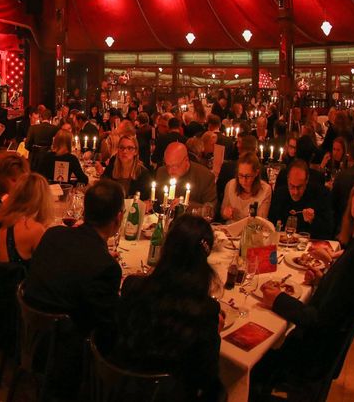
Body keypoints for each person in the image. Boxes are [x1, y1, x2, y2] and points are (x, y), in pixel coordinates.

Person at [253, 165, 354, 398]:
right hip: (326, 349)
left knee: (256, 358)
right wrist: (325, 280)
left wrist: (277, 299)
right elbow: (345, 299)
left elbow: (320, 320)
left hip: (311, 356)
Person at [22, 179, 125, 396]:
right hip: (67, 358)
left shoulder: (53, 235)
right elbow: (107, 327)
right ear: (118, 218)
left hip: (30, 338)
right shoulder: (106, 267)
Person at [110, 214, 222, 401]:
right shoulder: (205, 310)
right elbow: (206, 378)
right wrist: (214, 335)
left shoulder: (133, 286)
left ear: (165, 248)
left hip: (121, 391)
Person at [268, 159, 334, 239]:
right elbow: (270, 227)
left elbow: (328, 232)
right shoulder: (280, 194)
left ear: (307, 180)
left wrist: (313, 220)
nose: (295, 192)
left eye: (299, 187)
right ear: (288, 179)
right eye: (292, 186)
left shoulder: (320, 195)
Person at [154, 142, 218, 212]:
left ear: (186, 160)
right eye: (168, 166)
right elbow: (157, 201)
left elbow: (211, 210)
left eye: (175, 166)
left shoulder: (205, 176)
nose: (170, 171)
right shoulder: (161, 172)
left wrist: (187, 205)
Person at [220, 152, 272, 222]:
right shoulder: (231, 185)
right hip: (230, 230)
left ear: (256, 173)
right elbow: (222, 215)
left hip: (251, 231)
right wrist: (225, 213)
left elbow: (260, 222)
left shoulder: (265, 190)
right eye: (240, 175)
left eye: (247, 176)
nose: (244, 181)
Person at [100, 133, 150, 198]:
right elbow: (103, 185)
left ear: (136, 151)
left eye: (129, 148)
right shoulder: (112, 165)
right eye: (122, 147)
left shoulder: (143, 173)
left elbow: (144, 200)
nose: (124, 151)